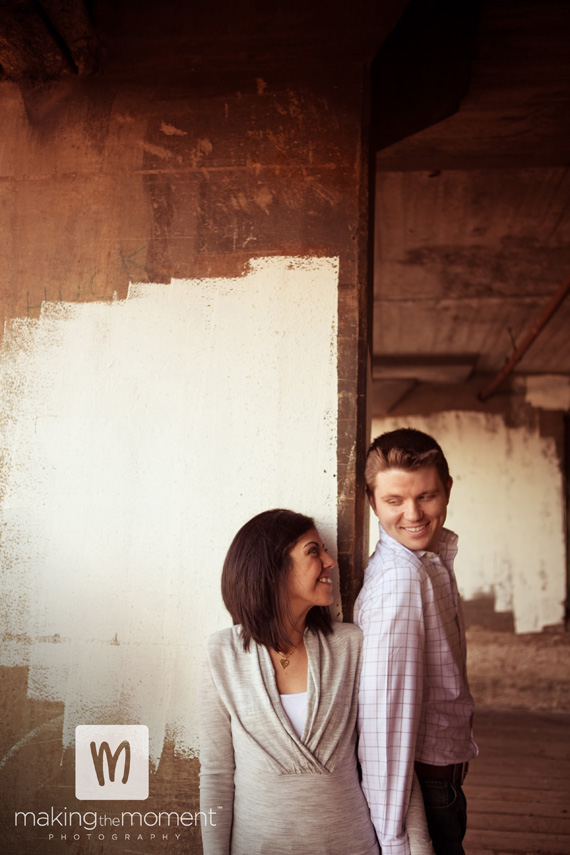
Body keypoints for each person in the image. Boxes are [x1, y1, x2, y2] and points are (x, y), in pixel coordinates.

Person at [199, 508, 434, 855]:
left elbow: (390, 754)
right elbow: (216, 775)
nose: (329, 561)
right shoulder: (222, 653)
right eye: (314, 551)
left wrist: (420, 846)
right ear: (273, 567)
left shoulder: (352, 645)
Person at [354, 428, 478, 855]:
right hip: (423, 790)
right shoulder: (400, 584)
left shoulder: (429, 559)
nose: (413, 514)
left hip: (443, 778)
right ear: (371, 502)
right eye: (393, 501)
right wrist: (395, 841)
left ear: (447, 490)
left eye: (426, 496)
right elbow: (383, 727)